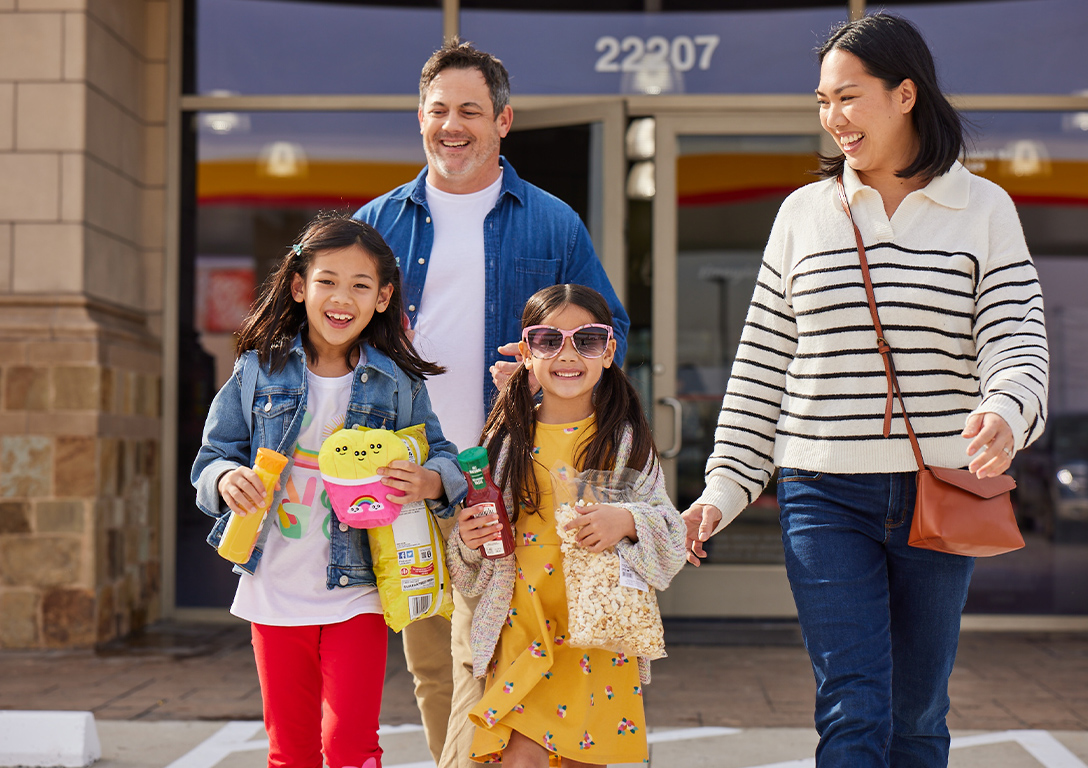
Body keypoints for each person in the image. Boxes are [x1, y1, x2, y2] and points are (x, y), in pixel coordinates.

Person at [682, 13, 1048, 768]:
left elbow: (1015, 338)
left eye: (848, 97)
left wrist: (1005, 411)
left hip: (939, 489)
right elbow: (760, 367)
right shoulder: (802, 216)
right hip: (822, 490)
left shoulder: (983, 210)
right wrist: (722, 489)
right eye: (822, 101)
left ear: (905, 93)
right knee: (852, 707)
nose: (833, 118)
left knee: (916, 714)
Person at [354, 42, 630, 767]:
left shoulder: (553, 223)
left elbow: (613, 333)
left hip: (510, 480)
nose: (453, 125)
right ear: (420, 117)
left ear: (502, 120)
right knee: (436, 669)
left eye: (470, 110)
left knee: (519, 658)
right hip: (412, 482)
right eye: (438, 110)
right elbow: (326, 330)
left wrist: (556, 369)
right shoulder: (376, 225)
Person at [191, 213, 468, 768]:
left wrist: (430, 479)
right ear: (299, 286)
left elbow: (443, 458)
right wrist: (227, 479)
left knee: (351, 746)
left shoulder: (398, 382)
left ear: (383, 298)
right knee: (290, 751)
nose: (342, 298)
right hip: (274, 585)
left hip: (359, 588)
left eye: (361, 285)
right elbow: (211, 460)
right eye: (327, 281)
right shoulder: (257, 370)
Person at [447, 284, 685, 766]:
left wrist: (627, 520)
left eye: (588, 340)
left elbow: (671, 533)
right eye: (549, 340)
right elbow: (472, 559)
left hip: (595, 638)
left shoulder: (626, 441)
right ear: (527, 351)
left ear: (610, 351)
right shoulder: (503, 441)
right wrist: (469, 541)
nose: (568, 354)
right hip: (521, 630)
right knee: (519, 756)